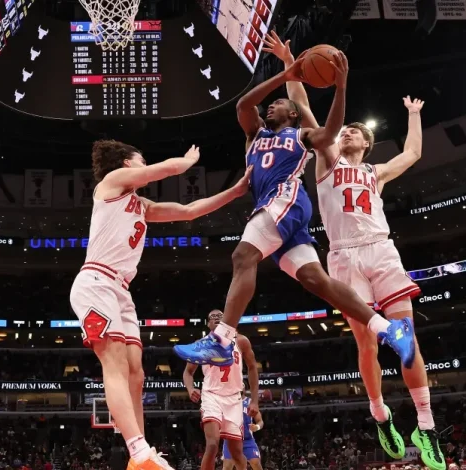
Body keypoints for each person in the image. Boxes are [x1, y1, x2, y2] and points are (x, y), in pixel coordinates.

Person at [173, 49, 417, 403]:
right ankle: (389, 330)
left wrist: (340, 86)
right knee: (317, 281)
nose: (271, 106)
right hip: (275, 209)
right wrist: (286, 74)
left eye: (279, 103)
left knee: (242, 257)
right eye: (270, 105)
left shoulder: (302, 136)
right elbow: (244, 104)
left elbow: (330, 131)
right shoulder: (254, 134)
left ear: (293, 113)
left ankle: (221, 339)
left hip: (286, 200)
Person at [260, 31, 443, 470]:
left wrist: (414, 114)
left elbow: (413, 152)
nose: (346, 133)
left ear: (366, 143)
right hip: (343, 255)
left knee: (408, 340)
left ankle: (426, 425)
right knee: (366, 342)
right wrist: (291, 65)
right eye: (344, 130)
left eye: (354, 132)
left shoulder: (377, 173)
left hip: (381, 250)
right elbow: (303, 105)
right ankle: (380, 415)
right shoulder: (326, 160)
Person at [70, 140, 253, 470]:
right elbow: (165, 169)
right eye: (141, 159)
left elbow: (190, 210)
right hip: (96, 281)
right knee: (114, 363)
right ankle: (139, 452)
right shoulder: (111, 183)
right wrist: (187, 161)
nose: (145, 164)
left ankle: (138, 455)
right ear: (126, 163)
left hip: (121, 290)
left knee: (136, 374)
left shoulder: (141, 205)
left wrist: (235, 192)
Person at [182, 311, 257, 470]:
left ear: (226, 321)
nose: (216, 317)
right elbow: (188, 372)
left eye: (220, 316)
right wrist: (190, 388)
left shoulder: (241, 341)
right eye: (212, 317)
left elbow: (252, 368)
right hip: (211, 395)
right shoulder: (201, 344)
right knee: (212, 444)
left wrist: (255, 400)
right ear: (208, 324)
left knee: (237, 453)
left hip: (234, 399)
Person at [222, 385, 263, 470]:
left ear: (244, 389)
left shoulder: (250, 402)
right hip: (231, 440)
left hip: (247, 440)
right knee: (227, 467)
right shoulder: (227, 402)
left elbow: (260, 421)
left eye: (242, 385)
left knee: (256, 463)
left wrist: (257, 427)